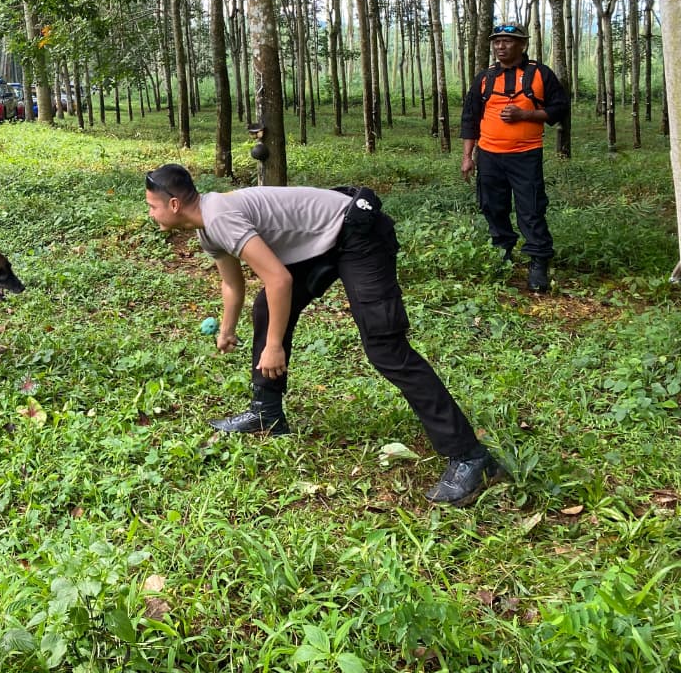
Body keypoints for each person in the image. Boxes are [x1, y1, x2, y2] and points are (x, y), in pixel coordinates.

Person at [144, 164, 501, 507]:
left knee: (385, 347)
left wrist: (273, 347)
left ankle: (470, 456)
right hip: (324, 238)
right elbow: (231, 284)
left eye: (152, 206)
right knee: (267, 308)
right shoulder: (206, 228)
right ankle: (266, 411)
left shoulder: (219, 216)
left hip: (357, 230)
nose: (150, 214)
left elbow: (279, 279)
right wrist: (226, 330)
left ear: (174, 204)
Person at [460, 23, 568, 293]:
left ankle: (538, 261)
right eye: (497, 42)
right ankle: (502, 252)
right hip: (489, 156)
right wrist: (467, 156)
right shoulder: (484, 78)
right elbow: (470, 118)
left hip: (525, 155)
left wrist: (526, 115)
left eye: (508, 41)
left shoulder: (541, 74)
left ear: (522, 45)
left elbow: (560, 108)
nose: (501, 46)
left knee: (531, 209)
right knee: (492, 206)